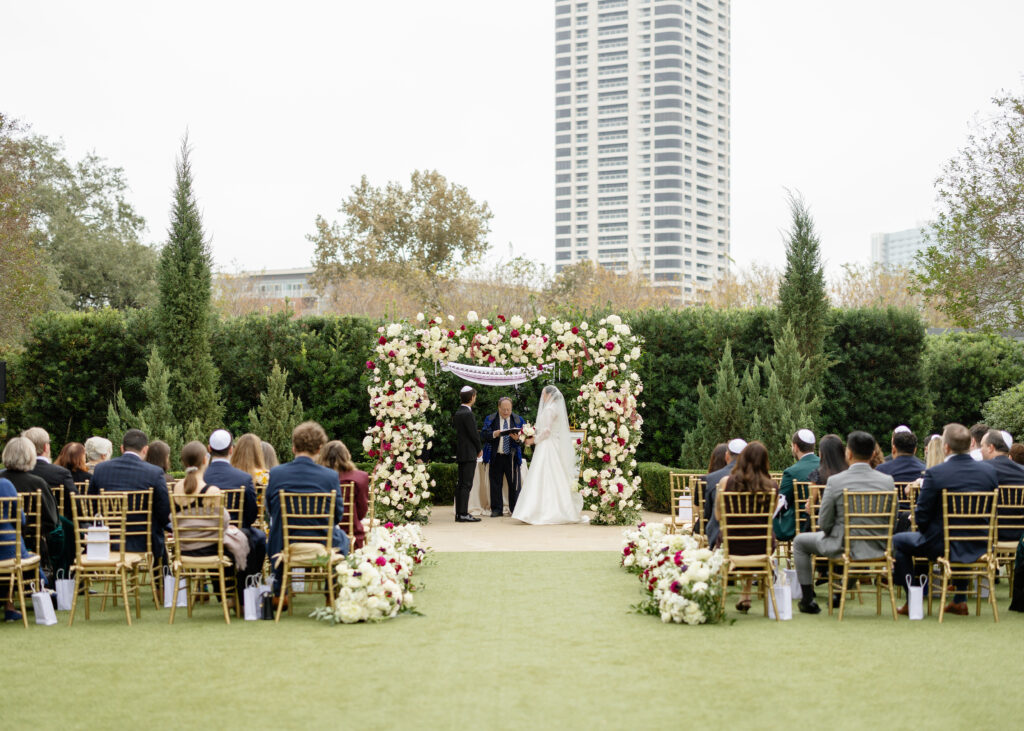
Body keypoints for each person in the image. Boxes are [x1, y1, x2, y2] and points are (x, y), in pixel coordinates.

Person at [892, 423, 998, 616]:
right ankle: (959, 600)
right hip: (980, 543)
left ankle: (913, 600)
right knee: (961, 536)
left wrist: (927, 532)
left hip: (941, 543)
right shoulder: (988, 472)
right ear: (969, 444)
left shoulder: (936, 473)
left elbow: (922, 516)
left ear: (946, 447)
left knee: (898, 541)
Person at [794, 431, 896, 614]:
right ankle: (839, 593)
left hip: (843, 545)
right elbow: (892, 521)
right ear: (873, 453)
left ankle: (808, 599)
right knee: (856, 548)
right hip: (879, 546)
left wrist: (833, 531)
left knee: (800, 542)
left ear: (848, 453)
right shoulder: (887, 481)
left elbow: (824, 523)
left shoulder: (836, 481)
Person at [265, 422, 350, 595]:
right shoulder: (330, 476)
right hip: (321, 540)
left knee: (275, 531)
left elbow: (270, 509)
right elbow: (337, 515)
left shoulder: (276, 473)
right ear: (319, 449)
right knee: (343, 539)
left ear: (293, 448)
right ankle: (331, 589)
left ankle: (279, 590)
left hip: (284, 541)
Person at [713, 441, 777, 613]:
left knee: (735, 536)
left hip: (732, 544)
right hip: (762, 545)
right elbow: (771, 516)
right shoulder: (772, 486)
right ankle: (746, 593)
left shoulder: (726, 482)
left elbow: (718, 516)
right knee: (753, 536)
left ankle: (730, 593)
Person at [90, 428, 171, 563]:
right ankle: (161, 574)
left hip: (108, 538)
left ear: (122, 448)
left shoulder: (101, 469)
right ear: (145, 450)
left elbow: (91, 505)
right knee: (157, 525)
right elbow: (164, 510)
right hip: (144, 541)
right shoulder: (154, 472)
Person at [512, 385, 584, 525]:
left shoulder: (550, 409)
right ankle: (557, 508)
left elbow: (546, 431)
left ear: (549, 395)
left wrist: (533, 440)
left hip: (547, 445)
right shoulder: (556, 408)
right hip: (553, 444)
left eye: (544, 394)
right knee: (555, 475)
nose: (542, 397)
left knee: (543, 474)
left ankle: (538, 511)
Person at [171, 442, 247, 567]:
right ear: (205, 460)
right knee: (243, 539)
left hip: (184, 550)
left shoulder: (176, 488)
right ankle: (242, 578)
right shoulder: (211, 491)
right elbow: (224, 522)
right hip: (209, 550)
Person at [204, 429, 265, 581]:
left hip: (206, 536)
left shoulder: (202, 478)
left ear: (209, 449)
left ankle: (219, 582)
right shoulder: (243, 478)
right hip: (238, 533)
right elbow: (251, 514)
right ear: (231, 449)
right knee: (259, 536)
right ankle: (249, 581)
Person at [0, 437, 64, 574]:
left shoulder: (2, 481)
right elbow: (51, 521)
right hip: (32, 543)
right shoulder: (37, 483)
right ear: (30, 457)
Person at [318, 440, 370, 550]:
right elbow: (362, 512)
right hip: (351, 532)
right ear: (346, 455)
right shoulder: (360, 477)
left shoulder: (318, 479)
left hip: (322, 534)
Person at [480, 396, 527, 517]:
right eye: (503, 409)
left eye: (508, 409)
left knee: (514, 484)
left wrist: (517, 439)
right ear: (498, 408)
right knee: (495, 484)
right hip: (496, 456)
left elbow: (524, 439)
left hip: (512, 456)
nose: (506, 412)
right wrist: (494, 434)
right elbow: (484, 434)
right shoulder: (490, 419)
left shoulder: (518, 419)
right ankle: (497, 509)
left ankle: (515, 509)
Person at [773, 429, 819, 542]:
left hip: (802, 526)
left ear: (795, 447)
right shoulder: (827, 465)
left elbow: (782, 504)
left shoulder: (791, 472)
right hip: (825, 521)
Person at [979, 429, 1024, 543]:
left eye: (982, 446)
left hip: (988, 536)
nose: (980, 450)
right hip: (1020, 536)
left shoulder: (980, 470)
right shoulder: (1022, 471)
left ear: (991, 447)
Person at [1, 476, 36, 622]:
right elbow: (20, 518)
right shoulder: (4, 484)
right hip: (7, 548)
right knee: (18, 557)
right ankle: (9, 607)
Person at [23, 427, 77, 519]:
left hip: (20, 524)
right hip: (54, 523)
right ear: (46, 447)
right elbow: (75, 503)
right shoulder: (61, 473)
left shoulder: (14, 474)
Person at [702, 438, 746, 548]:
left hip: (723, 538)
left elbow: (708, 513)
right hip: (757, 539)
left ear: (727, 456)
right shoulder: (761, 481)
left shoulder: (712, 478)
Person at [452, 386, 482, 523]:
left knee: (461, 483)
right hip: (469, 452)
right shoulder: (468, 414)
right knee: (466, 484)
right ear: (471, 398)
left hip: (461, 452)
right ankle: (463, 513)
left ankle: (459, 513)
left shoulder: (458, 412)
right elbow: (473, 434)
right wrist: (479, 448)